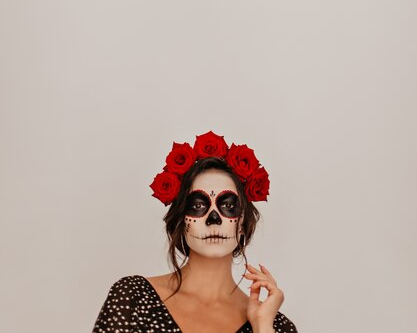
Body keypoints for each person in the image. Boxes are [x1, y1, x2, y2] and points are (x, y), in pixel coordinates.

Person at [92, 131, 298, 333]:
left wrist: (262, 327)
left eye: (228, 206)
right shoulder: (134, 297)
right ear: (181, 220)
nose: (213, 219)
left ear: (242, 223)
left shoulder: (275, 326)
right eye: (198, 206)